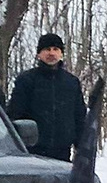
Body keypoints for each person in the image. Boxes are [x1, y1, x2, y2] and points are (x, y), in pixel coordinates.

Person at [8, 32, 82, 162]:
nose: (51, 53)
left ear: (61, 54)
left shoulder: (71, 82)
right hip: (32, 152)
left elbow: (79, 116)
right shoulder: (27, 80)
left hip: (63, 152)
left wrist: (81, 147)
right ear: (39, 54)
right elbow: (14, 113)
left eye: (55, 49)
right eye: (47, 49)